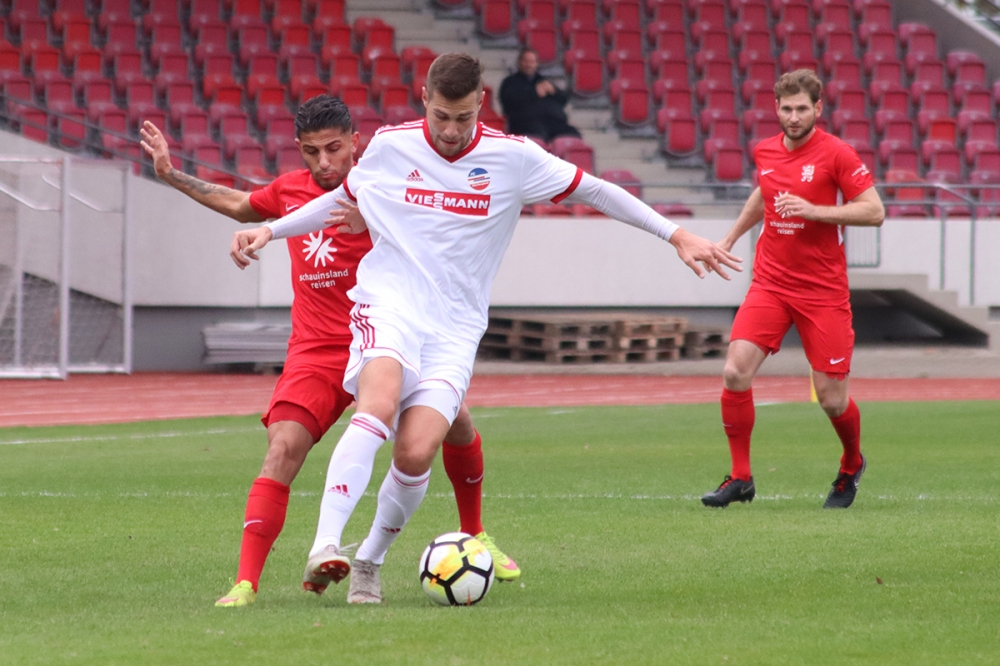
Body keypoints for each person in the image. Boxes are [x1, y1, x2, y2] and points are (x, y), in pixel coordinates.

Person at [230, 54, 742, 604]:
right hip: (390, 304)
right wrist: (272, 230)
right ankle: (324, 545)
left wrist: (675, 234)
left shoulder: (513, 158)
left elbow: (596, 191)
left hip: (454, 330)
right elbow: (342, 201)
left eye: (463, 118)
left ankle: (369, 561)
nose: (451, 131)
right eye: (441, 116)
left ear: (481, 104)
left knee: (415, 453)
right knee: (375, 406)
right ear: (425, 100)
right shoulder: (391, 146)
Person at [139, 95, 520, 609]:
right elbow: (239, 204)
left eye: (334, 149)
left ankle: (475, 533)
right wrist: (170, 174)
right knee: (282, 449)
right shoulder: (289, 191)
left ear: (355, 143)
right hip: (317, 351)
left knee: (455, 422)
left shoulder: (388, 183)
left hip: (390, 336)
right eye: (311, 151)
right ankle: (246, 584)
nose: (323, 162)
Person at [700, 69, 885, 510]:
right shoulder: (765, 150)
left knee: (832, 399)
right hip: (771, 283)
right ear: (776, 109)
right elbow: (764, 194)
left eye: (803, 108)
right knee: (735, 372)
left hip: (823, 292)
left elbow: (874, 211)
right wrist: (729, 238)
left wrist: (814, 211)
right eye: (787, 109)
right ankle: (740, 478)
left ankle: (851, 463)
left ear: (818, 109)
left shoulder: (837, 153)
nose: (794, 117)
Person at [498, 48, 581, 142]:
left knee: (573, 134)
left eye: (532, 62)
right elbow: (510, 102)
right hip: (525, 123)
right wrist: (534, 92)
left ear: (536, 63)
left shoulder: (542, 80)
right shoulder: (510, 82)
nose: (529, 64)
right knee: (538, 135)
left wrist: (554, 91)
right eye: (526, 61)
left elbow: (563, 100)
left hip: (552, 122)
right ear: (519, 62)